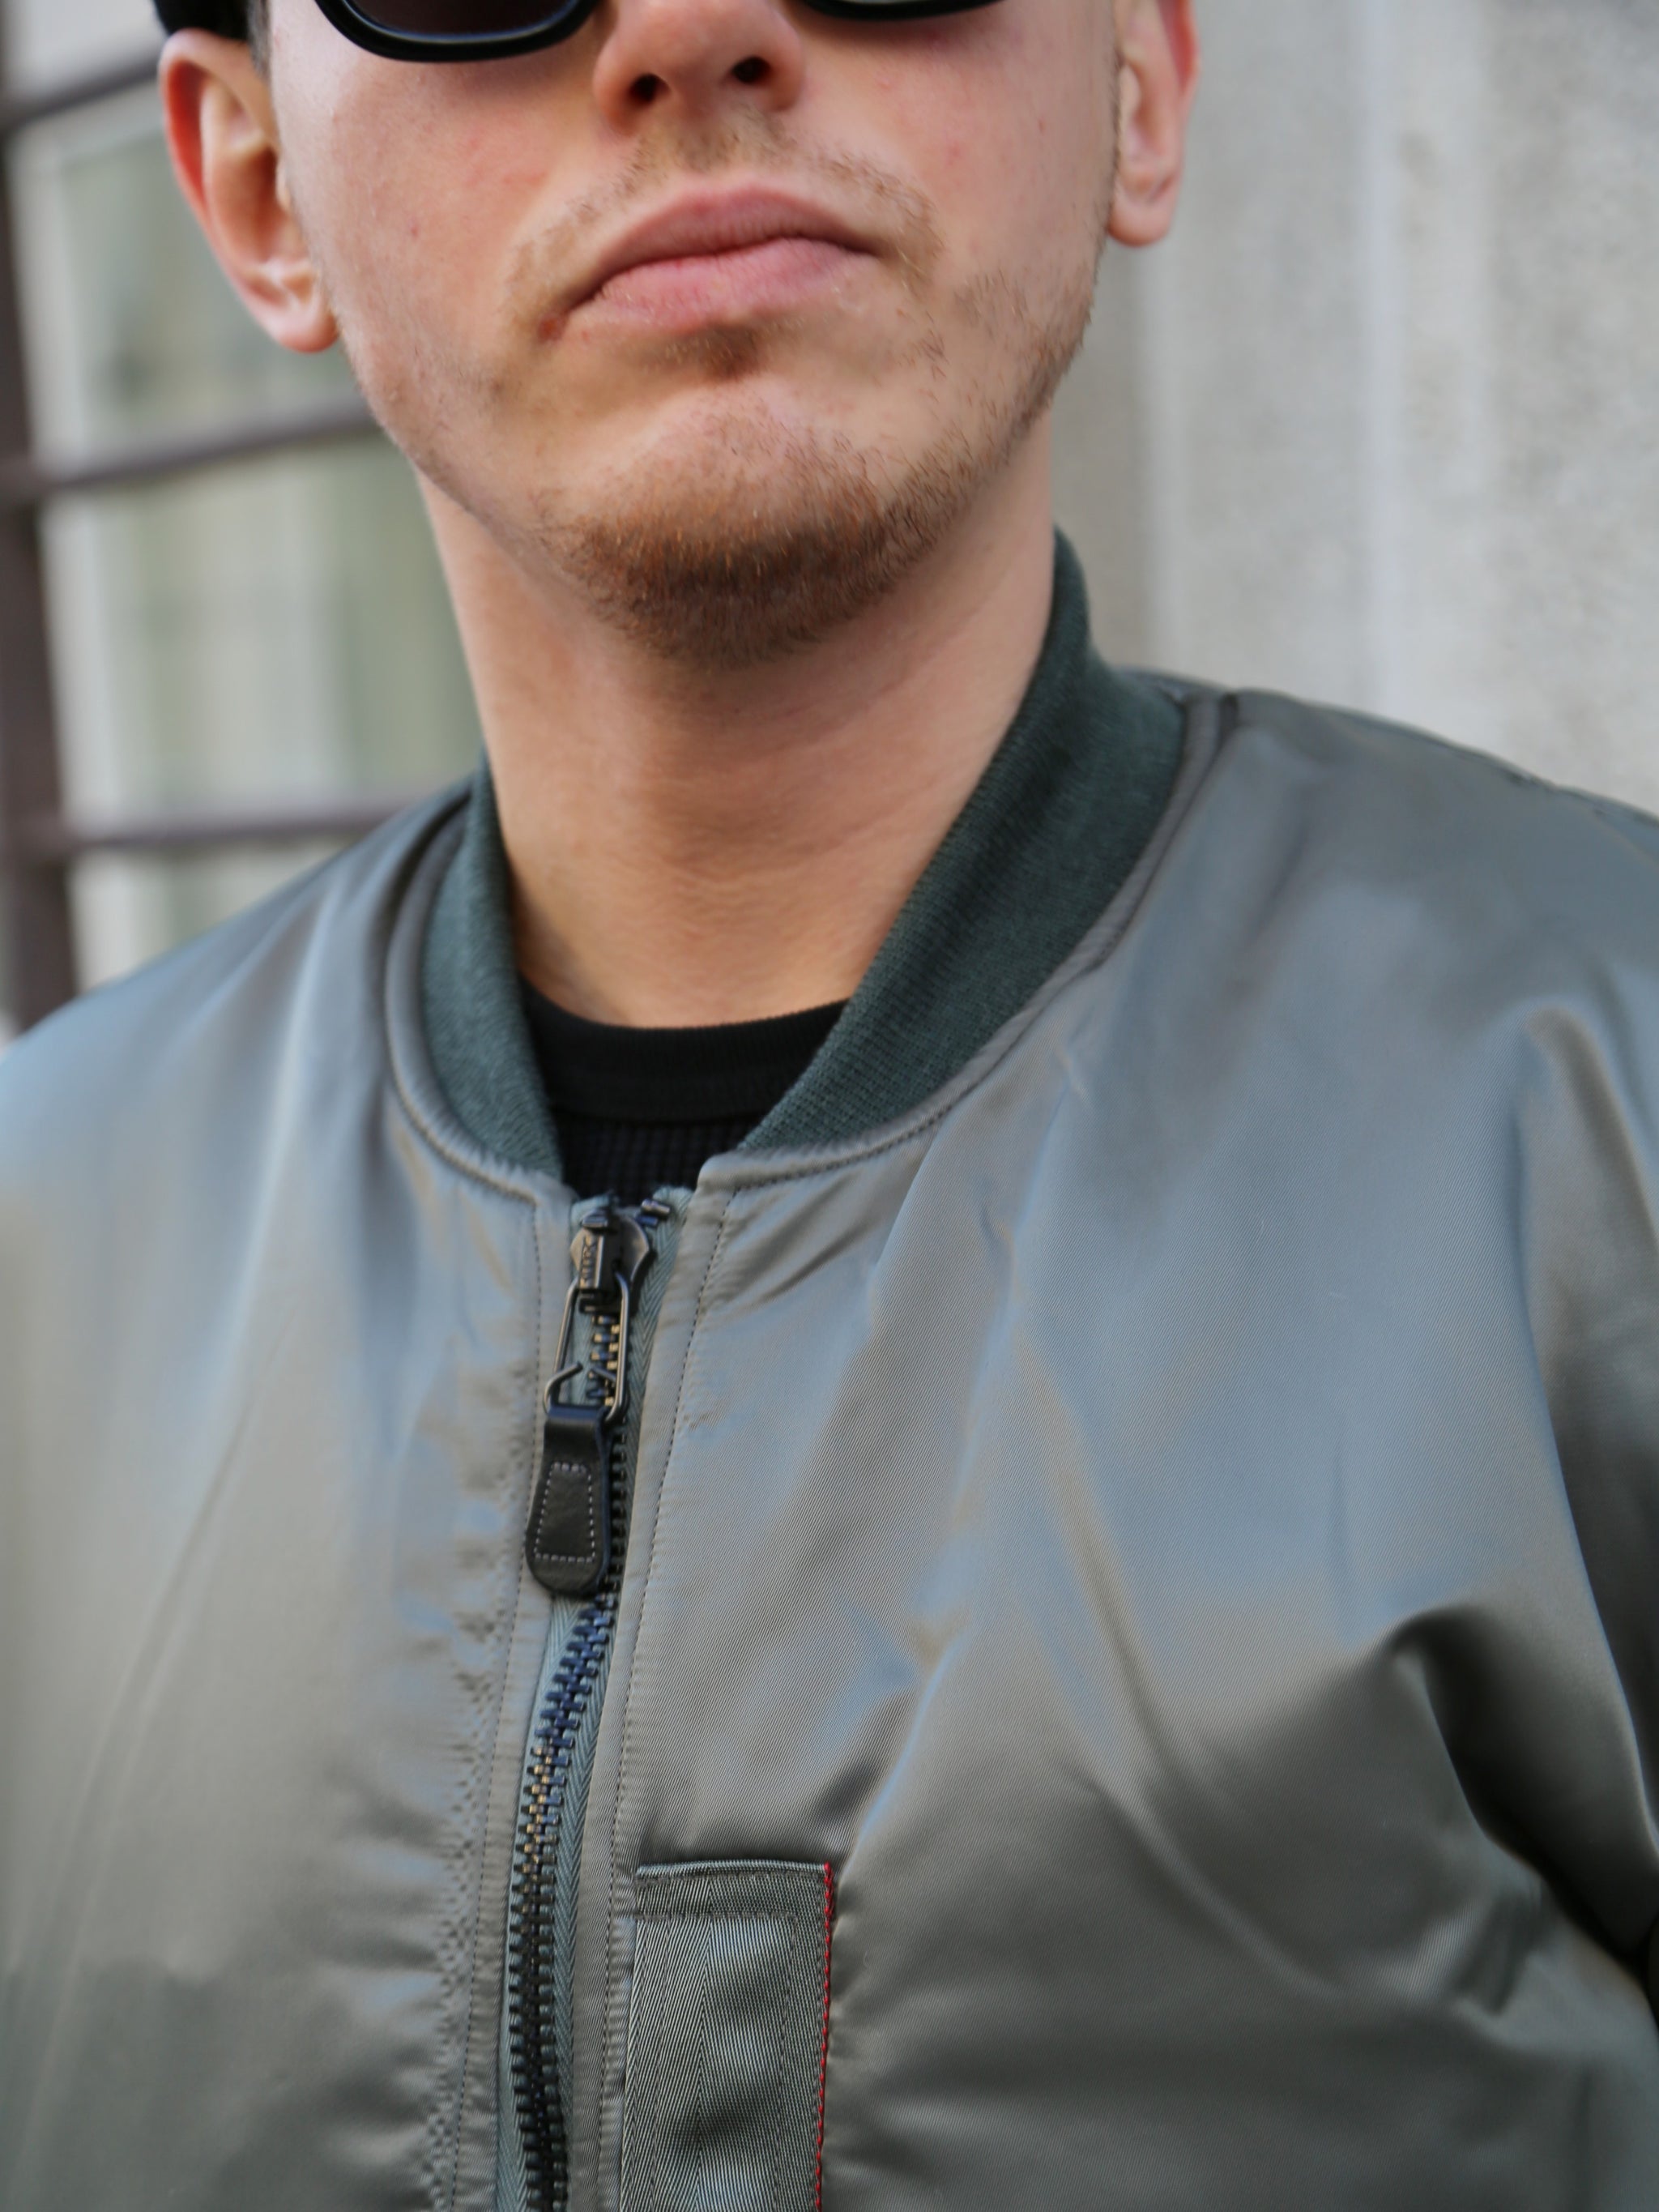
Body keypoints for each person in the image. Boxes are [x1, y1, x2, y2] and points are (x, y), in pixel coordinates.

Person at [3, 0, 1658, 2205]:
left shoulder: (1611, 1116)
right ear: (251, 186)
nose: (696, 26)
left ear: (1141, 80)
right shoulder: (35, 1264)